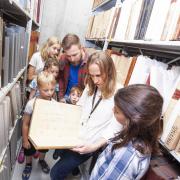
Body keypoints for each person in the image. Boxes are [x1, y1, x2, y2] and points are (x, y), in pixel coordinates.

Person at [50, 51, 122, 180]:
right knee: (62, 158)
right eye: (92, 75)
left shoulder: (119, 93)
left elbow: (114, 128)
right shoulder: (90, 85)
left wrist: (93, 147)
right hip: (73, 137)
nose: (95, 80)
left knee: (55, 173)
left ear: (109, 71)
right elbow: (80, 108)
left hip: (88, 145)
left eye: (99, 75)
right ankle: (74, 170)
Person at [90, 84, 163, 180]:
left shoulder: (127, 154)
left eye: (116, 111)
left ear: (132, 120)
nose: (112, 110)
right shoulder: (137, 135)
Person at [22, 72, 56, 180]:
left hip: (45, 133)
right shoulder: (31, 104)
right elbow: (25, 123)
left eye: (52, 89)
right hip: (31, 134)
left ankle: (41, 160)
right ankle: (28, 164)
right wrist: (25, 140)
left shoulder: (54, 103)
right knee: (29, 150)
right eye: (46, 90)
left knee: (43, 150)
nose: (49, 93)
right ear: (38, 88)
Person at [58, 33, 90, 102]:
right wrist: (61, 96)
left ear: (81, 48)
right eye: (68, 56)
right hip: (65, 98)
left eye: (75, 55)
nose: (72, 59)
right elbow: (60, 78)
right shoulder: (63, 58)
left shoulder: (90, 63)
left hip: (81, 101)